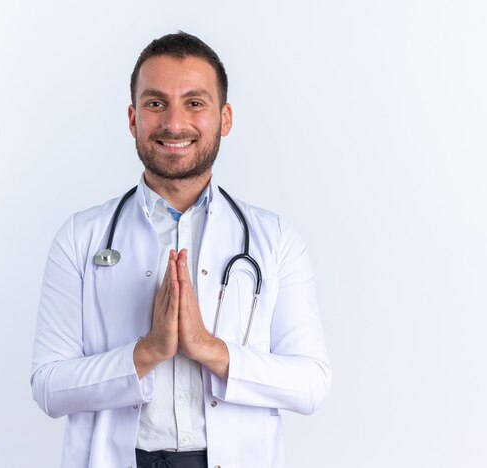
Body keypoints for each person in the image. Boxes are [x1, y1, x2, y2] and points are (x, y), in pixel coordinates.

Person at [31, 31, 331, 468]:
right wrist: (147, 351)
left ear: (224, 118)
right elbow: (48, 387)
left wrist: (208, 348)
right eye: (156, 104)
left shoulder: (275, 239)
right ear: (133, 118)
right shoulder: (80, 237)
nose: (174, 123)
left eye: (195, 103)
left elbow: (311, 384)